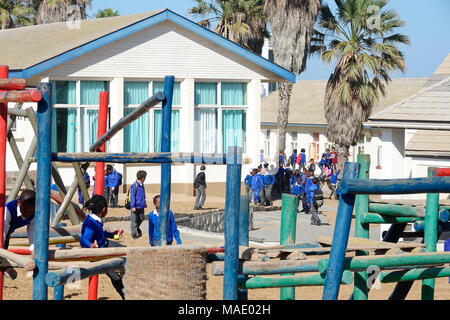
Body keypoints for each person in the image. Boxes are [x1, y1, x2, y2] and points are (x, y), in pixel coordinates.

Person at [80, 195, 125, 299]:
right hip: (98, 254)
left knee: (124, 250)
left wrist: (112, 234)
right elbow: (84, 239)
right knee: (114, 276)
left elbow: (101, 233)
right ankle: (125, 296)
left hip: (104, 244)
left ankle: (124, 268)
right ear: (104, 209)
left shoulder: (96, 219)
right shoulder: (91, 223)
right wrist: (90, 245)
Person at [129, 170, 147, 239]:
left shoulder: (142, 186)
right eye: (145, 177)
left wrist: (144, 203)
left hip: (141, 206)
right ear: (142, 178)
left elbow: (143, 195)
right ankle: (133, 233)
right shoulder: (134, 185)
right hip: (135, 207)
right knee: (134, 220)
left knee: (141, 218)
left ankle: (137, 228)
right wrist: (133, 206)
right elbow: (132, 196)